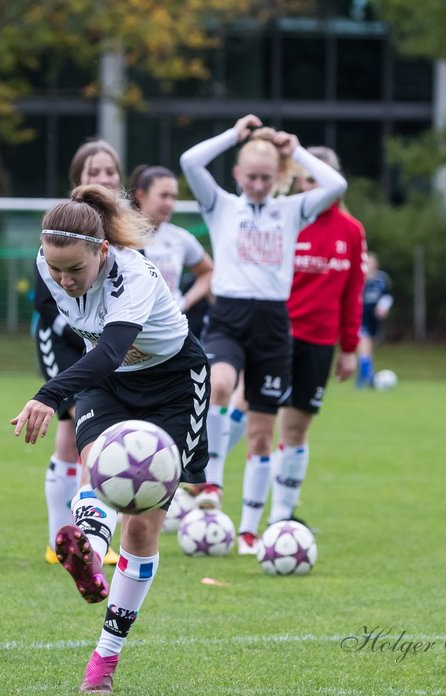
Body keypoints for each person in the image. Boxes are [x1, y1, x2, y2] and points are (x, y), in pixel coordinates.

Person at [10, 185, 209, 694]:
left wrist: (48, 395)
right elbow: (97, 357)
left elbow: (110, 349)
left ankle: (105, 658)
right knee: (100, 464)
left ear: (101, 252)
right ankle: (91, 556)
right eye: (56, 270)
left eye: (75, 270)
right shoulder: (49, 263)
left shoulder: (135, 275)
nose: (63, 280)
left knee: (143, 527)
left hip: (174, 386)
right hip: (111, 383)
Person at [179, 115, 347, 554]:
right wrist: (233, 137)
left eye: (265, 178)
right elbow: (189, 161)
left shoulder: (290, 210)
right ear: (237, 175)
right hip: (230, 316)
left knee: (259, 432)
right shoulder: (220, 205)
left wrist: (296, 152)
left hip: (274, 325)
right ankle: (210, 481)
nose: (257, 184)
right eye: (250, 176)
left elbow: (336, 186)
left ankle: (251, 530)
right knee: (218, 384)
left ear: (278, 177)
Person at [31, 140, 126, 568]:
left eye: (110, 171)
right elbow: (46, 292)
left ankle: (91, 535)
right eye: (94, 172)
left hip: (105, 344)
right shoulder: (62, 228)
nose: (104, 179)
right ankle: (58, 538)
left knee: (101, 436)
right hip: (64, 340)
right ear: (79, 182)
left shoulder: (123, 230)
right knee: (69, 429)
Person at [269, 147, 365, 526]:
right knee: (251, 417)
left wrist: (350, 347)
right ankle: (203, 491)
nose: (315, 185)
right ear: (297, 181)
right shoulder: (285, 219)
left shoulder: (352, 231)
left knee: (296, 427)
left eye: (322, 176)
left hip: (320, 342)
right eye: (308, 177)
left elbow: (353, 291)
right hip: (277, 336)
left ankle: (282, 515)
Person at [129, 164, 214, 335]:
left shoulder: (180, 238)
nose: (170, 203)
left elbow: (207, 271)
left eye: (173, 197)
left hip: (171, 328)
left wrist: (186, 301)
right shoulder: (122, 235)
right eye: (163, 196)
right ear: (141, 195)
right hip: (133, 328)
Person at [357, 252, 393, 388]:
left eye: (371, 262)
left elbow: (387, 296)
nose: (368, 264)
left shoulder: (382, 279)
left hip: (374, 320)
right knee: (364, 346)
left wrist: (384, 307)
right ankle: (367, 379)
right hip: (360, 318)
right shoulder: (359, 278)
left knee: (368, 349)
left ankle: (365, 377)